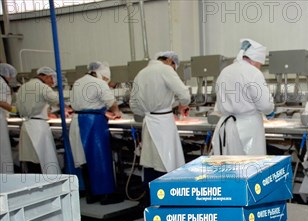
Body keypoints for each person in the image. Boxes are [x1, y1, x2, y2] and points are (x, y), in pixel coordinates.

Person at [130, 51, 191, 186]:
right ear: (170, 61)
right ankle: (168, 196)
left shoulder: (141, 73)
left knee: (150, 162)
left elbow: (133, 105)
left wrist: (149, 111)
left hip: (149, 122)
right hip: (163, 124)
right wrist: (183, 105)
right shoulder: (166, 70)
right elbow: (185, 95)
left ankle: (151, 197)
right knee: (167, 162)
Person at [69, 61, 123, 204]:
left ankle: (91, 194)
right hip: (93, 123)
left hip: (78, 121)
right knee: (100, 159)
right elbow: (111, 103)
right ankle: (106, 195)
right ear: (102, 75)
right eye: (106, 79)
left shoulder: (78, 82)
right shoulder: (99, 83)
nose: (106, 81)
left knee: (85, 161)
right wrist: (117, 112)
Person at [212, 38, 274, 155]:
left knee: (229, 168)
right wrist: (270, 111)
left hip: (226, 126)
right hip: (248, 130)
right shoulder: (253, 72)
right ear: (255, 60)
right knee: (250, 168)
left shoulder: (225, 71)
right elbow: (265, 104)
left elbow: (219, 101)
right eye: (260, 64)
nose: (259, 67)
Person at [16, 66, 66, 174]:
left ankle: (34, 185)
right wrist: (67, 108)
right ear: (48, 77)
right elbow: (58, 101)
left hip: (26, 125)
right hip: (39, 128)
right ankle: (48, 185)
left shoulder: (23, 87)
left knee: (31, 161)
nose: (52, 84)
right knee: (45, 160)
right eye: (52, 80)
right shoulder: (42, 87)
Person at [0, 63, 17, 173]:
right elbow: (1, 101)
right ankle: (6, 175)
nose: (11, 78)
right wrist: (15, 110)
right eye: (10, 75)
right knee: (3, 149)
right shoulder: (1, 83)